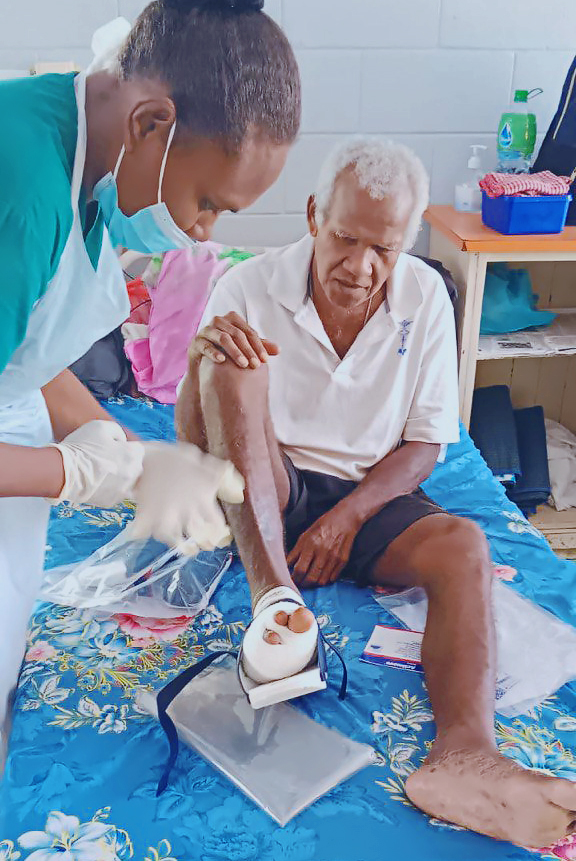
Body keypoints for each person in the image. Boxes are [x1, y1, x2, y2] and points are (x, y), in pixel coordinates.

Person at [177, 138, 576, 848]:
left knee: (464, 543)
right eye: (346, 238)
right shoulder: (248, 287)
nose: (361, 267)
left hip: (368, 492)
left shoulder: (425, 295)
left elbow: (425, 443)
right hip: (269, 477)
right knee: (233, 368)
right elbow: (199, 440)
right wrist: (201, 372)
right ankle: (277, 603)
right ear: (312, 216)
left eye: (383, 249)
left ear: (406, 244)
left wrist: (347, 518)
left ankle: (465, 754)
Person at [0, 0, 300, 758]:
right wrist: (83, 471)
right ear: (149, 125)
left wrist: (137, 455)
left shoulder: (92, 158)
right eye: (206, 205)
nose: (204, 234)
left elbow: (23, 355)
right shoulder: (25, 193)